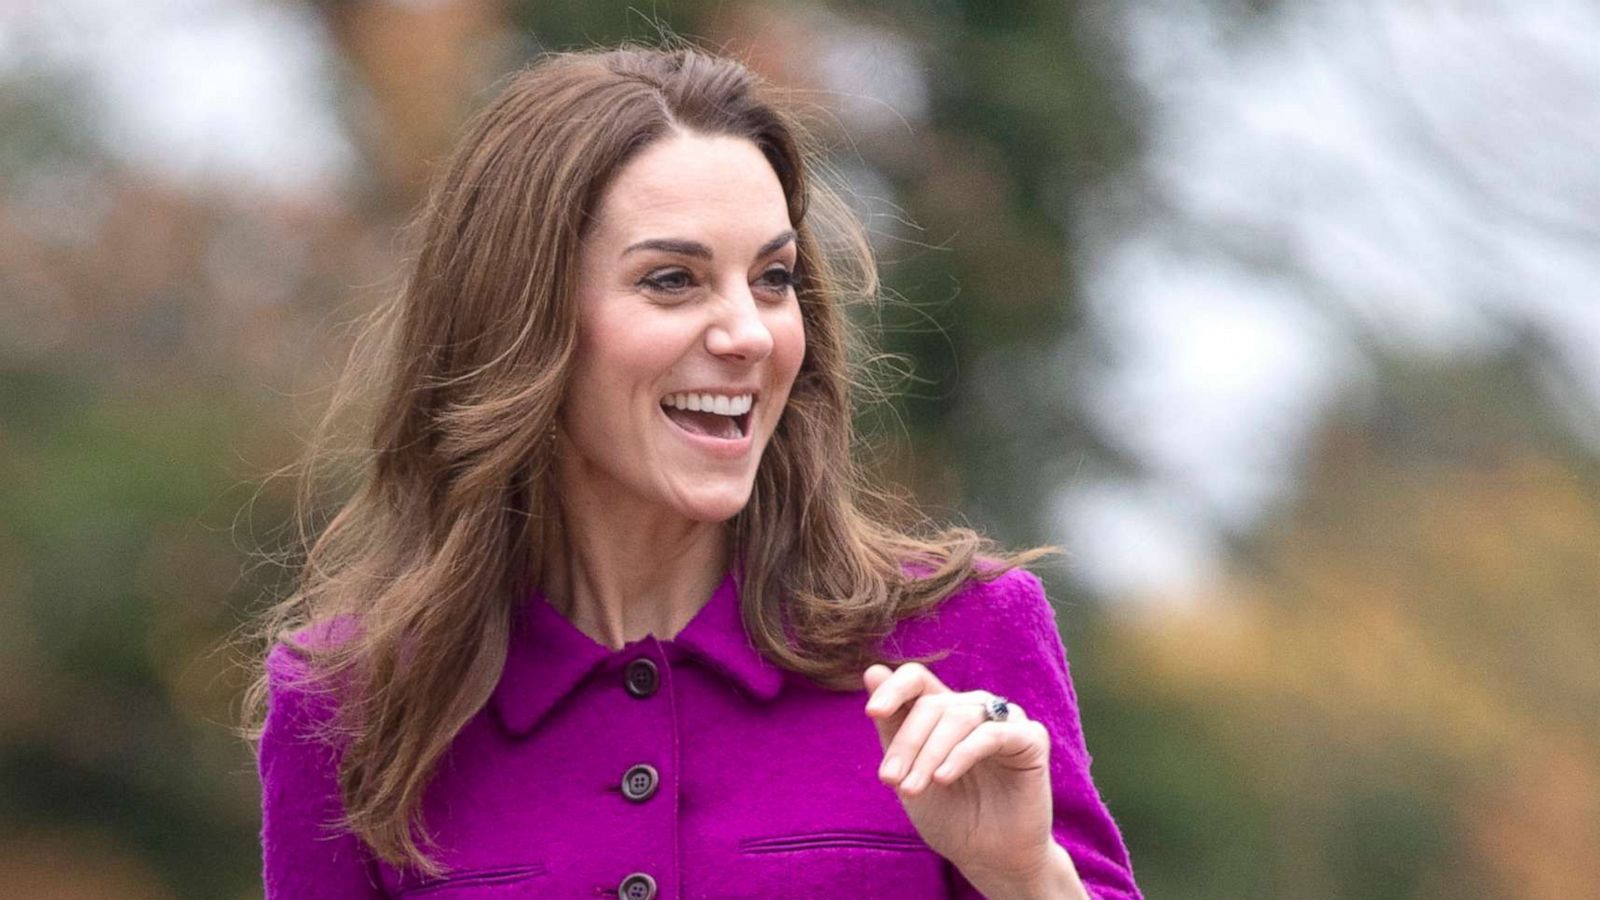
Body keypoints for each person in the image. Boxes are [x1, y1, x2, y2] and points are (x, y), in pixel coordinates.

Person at [245, 43, 1141, 900]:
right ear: (520, 321)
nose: (749, 333)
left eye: (774, 278)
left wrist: (1028, 881)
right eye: (672, 280)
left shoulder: (965, 638)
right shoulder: (348, 709)